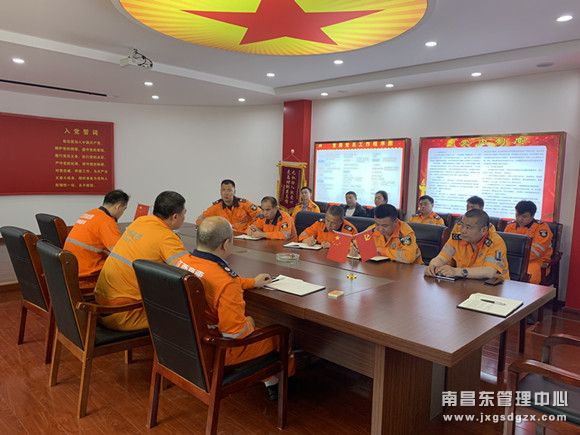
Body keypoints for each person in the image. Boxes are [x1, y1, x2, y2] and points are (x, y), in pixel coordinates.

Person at [182, 216, 294, 399]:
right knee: (281, 334)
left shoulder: (183, 262)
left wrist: (252, 282)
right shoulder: (226, 282)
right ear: (226, 244)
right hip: (215, 350)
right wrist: (250, 322)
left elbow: (214, 281)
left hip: (185, 340)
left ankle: (270, 379)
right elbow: (235, 334)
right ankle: (278, 382)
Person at [63, 190, 129, 282]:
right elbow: (120, 253)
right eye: (124, 209)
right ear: (118, 207)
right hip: (86, 276)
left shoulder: (91, 213)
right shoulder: (107, 222)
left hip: (70, 269)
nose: (122, 213)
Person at [425, 209, 509, 280]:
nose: (463, 231)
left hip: (493, 287)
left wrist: (456, 271)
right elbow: (441, 258)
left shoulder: (495, 242)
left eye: (468, 227)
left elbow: (489, 272)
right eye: (462, 225)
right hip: (466, 283)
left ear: (483, 230)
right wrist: (433, 266)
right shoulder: (458, 237)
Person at [352, 204, 421, 264]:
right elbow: (355, 243)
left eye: (385, 226)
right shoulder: (373, 229)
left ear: (395, 222)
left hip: (410, 270)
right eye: (377, 224)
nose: (380, 229)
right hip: (383, 266)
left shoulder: (404, 233)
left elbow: (408, 257)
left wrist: (381, 250)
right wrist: (354, 249)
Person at [504, 200, 553, 284]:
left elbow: (537, 252)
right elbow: (503, 245)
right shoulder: (510, 226)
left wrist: (517, 258)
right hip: (511, 260)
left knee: (528, 279)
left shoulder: (542, 228)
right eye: (517, 215)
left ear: (532, 216)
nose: (520, 219)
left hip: (534, 261)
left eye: (524, 216)